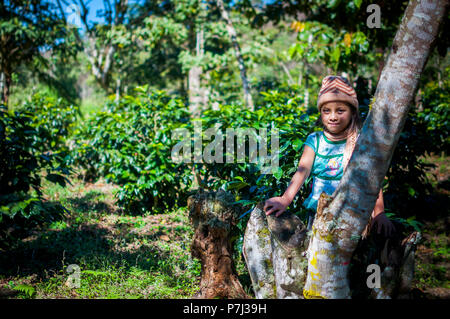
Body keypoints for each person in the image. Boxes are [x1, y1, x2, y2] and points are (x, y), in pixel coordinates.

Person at [264, 75, 395, 237]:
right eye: (327, 111)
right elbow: (302, 172)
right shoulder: (315, 140)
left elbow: (372, 178)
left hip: (352, 215)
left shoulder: (360, 142)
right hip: (319, 213)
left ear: (352, 113)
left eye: (340, 110)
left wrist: (379, 212)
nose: (333, 116)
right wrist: (285, 199)